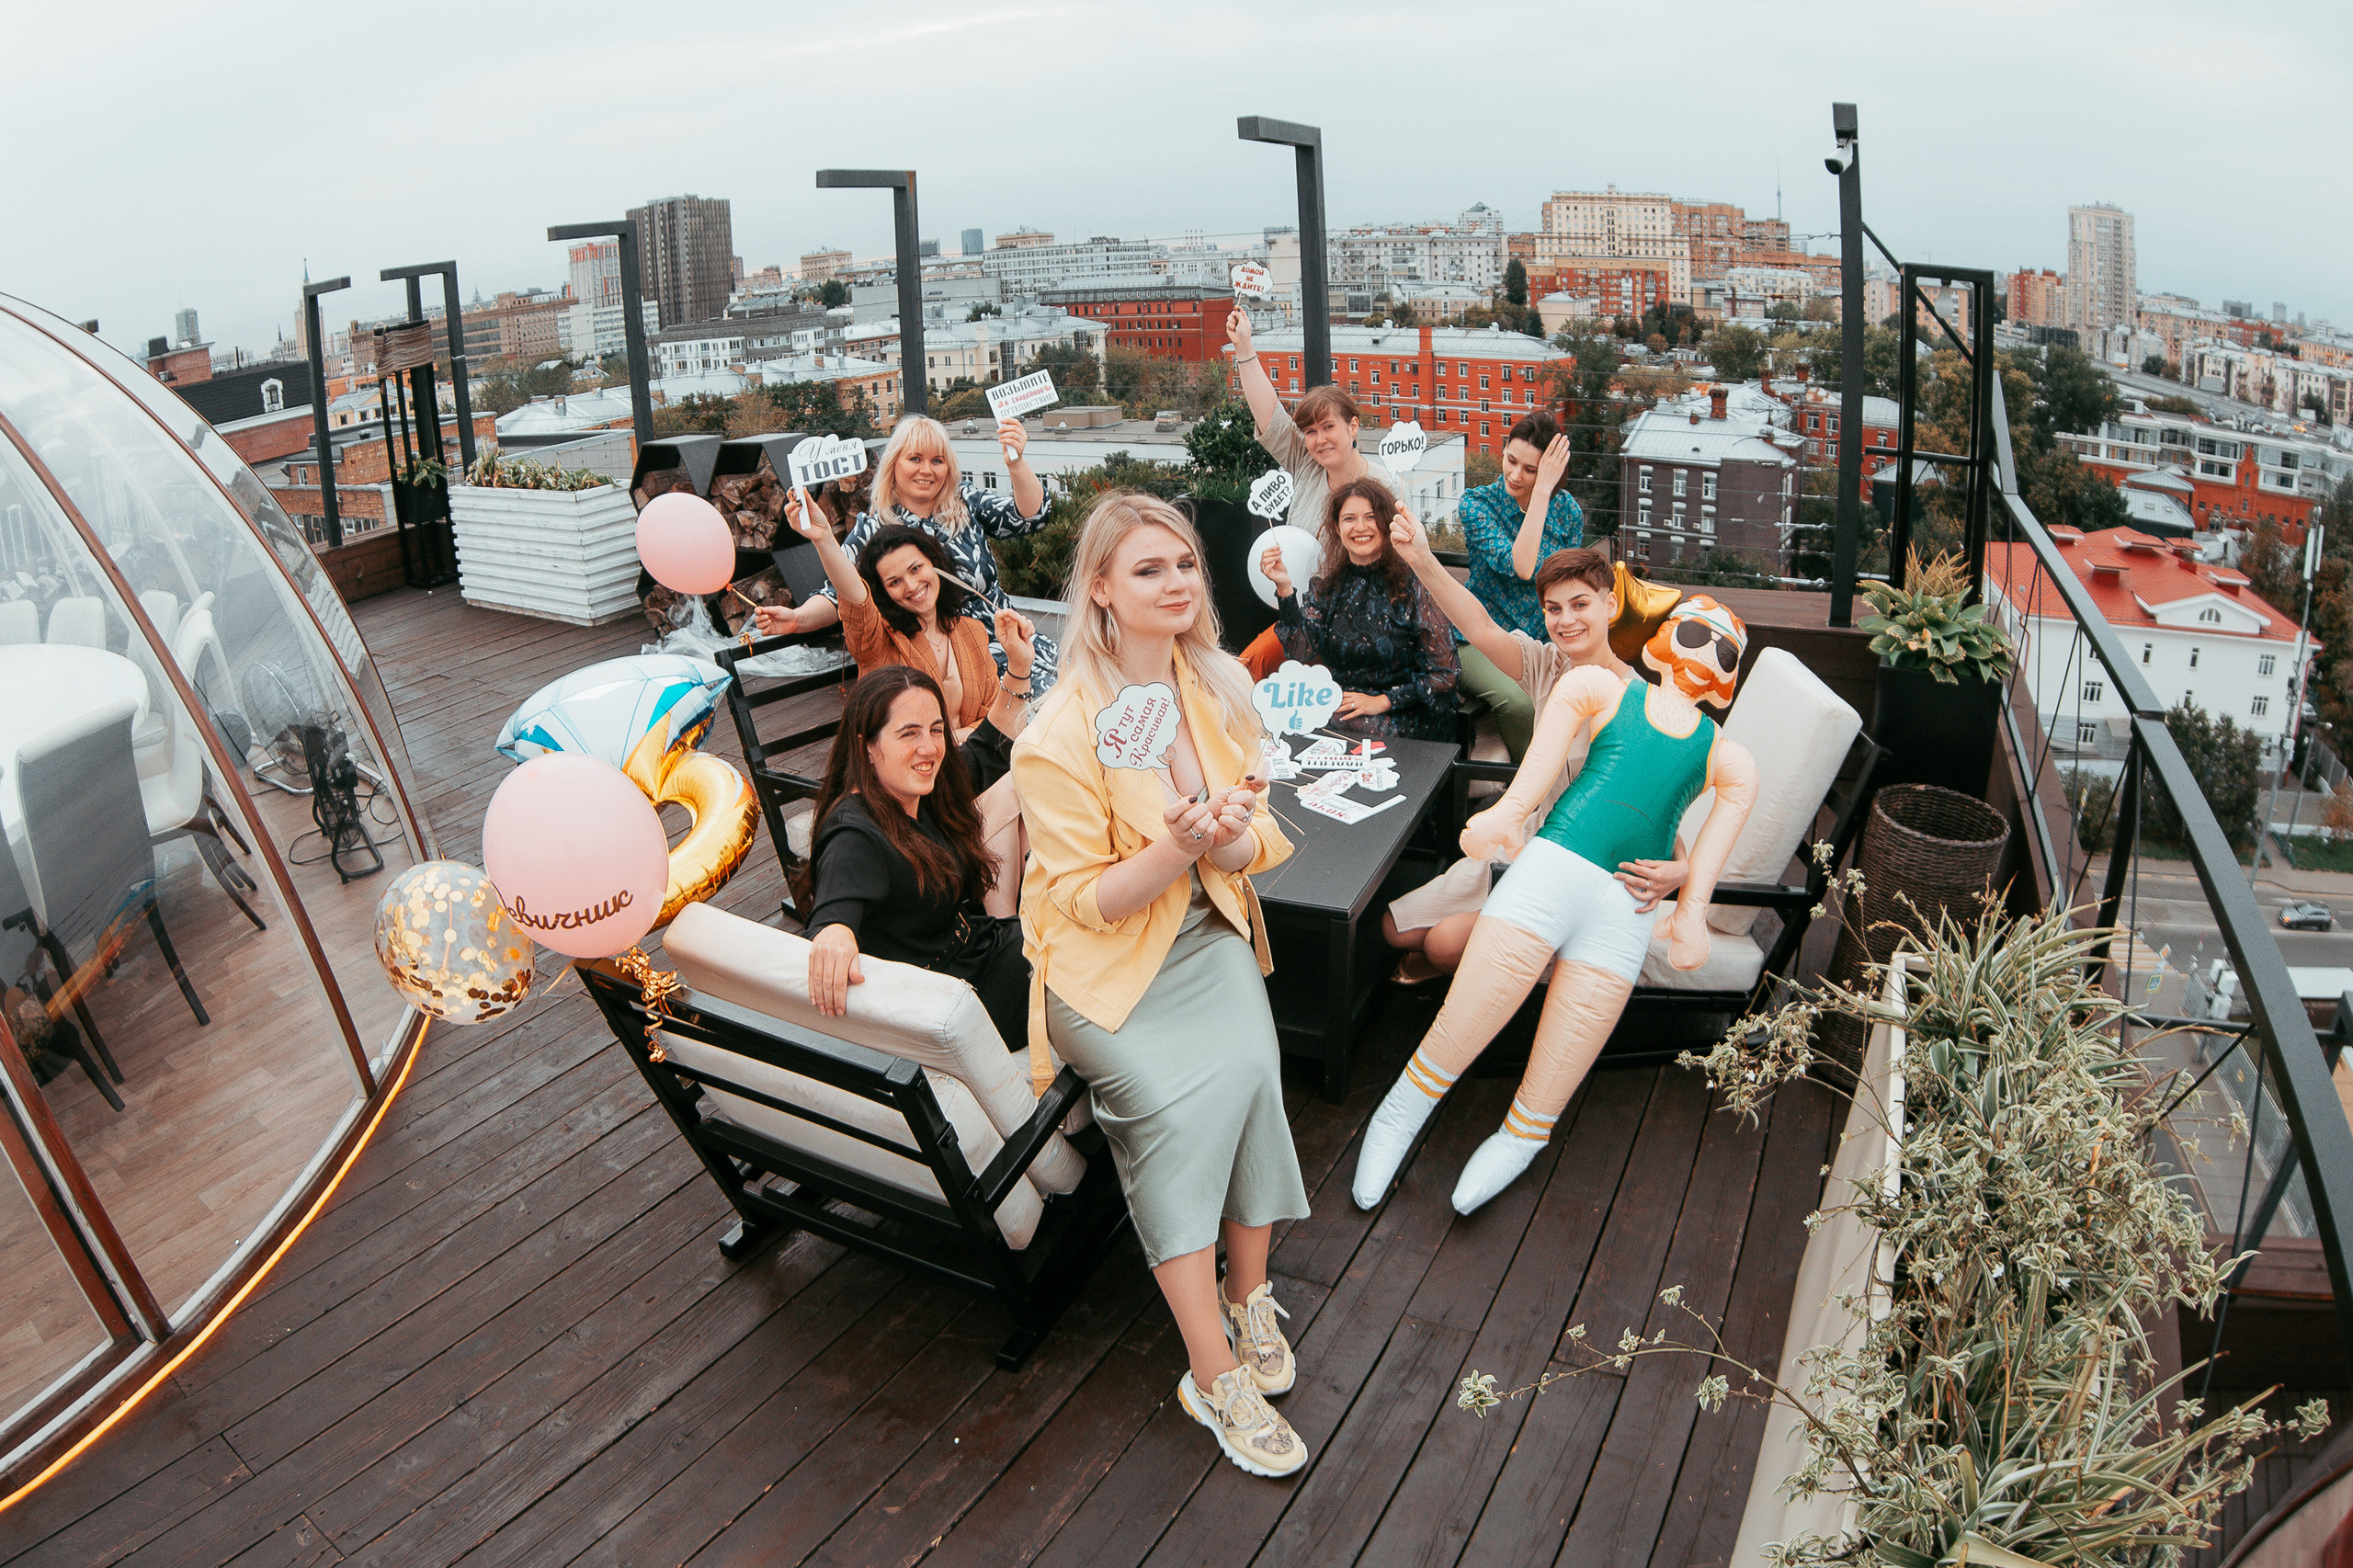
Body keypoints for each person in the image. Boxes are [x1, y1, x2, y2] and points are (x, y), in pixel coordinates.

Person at [1013, 490, 1312, 1480]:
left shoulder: (1220, 685)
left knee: (1257, 1075)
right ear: (1098, 589)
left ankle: (1248, 1289)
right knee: (1178, 1119)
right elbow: (1085, 904)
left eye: (1184, 564)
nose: (1177, 582)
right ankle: (1210, 1368)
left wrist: (1227, 835)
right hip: (1106, 969)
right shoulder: (1057, 730)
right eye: (1148, 569)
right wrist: (1176, 843)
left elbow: (1264, 835)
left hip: (1205, 934)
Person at [1352, 598, 1761, 1218]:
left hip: (1626, 908)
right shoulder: (1598, 687)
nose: (1706, 653)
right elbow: (1537, 771)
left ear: (1730, 676)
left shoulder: (1730, 758)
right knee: (1467, 1014)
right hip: (1551, 869)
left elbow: (1707, 850)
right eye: (1698, 633)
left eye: (1724, 649)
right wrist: (1505, 818)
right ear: (1665, 638)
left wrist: (1692, 910)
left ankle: (1521, 1137)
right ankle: (1401, 1112)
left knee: (1571, 1041)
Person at [1378, 525, 1685, 982]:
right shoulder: (1548, 666)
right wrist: (1421, 558)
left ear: (1611, 605)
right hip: (1522, 840)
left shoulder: (1639, 706)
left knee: (1441, 946)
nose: (1567, 621)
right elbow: (1478, 625)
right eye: (1554, 609)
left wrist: (1681, 869)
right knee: (1392, 929)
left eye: (1580, 605)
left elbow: (1661, 810)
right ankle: (1461, 957)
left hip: (1570, 874)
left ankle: (1457, 963)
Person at [764, 501, 1036, 913]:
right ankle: (1004, 922)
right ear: (883, 592)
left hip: (969, 773)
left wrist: (1020, 663)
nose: (910, 586)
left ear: (936, 564)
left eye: (916, 569)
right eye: (893, 582)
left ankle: (1009, 917)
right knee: (1016, 786)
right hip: (911, 789)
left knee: (1030, 782)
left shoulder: (971, 631)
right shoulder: (878, 639)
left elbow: (994, 725)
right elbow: (854, 596)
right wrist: (822, 538)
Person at [795, 666, 1030, 1053]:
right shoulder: (855, 832)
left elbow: (988, 749)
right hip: (958, 1004)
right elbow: (832, 917)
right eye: (909, 733)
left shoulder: (918, 791)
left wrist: (1019, 670)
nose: (930, 747)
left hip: (982, 955)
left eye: (936, 730)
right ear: (867, 745)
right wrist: (833, 932)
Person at [765, 415, 1060, 689]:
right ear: (895, 464)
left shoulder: (963, 499)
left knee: (1080, 685)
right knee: (1041, 704)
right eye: (915, 459)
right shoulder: (875, 528)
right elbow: (837, 596)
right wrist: (797, 619)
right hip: (945, 654)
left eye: (937, 460)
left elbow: (1029, 517)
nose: (926, 470)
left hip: (1008, 633)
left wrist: (1016, 464)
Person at [1258, 477, 1459, 744]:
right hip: (1341, 707)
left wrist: (1382, 701)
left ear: (1386, 524)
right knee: (1288, 722)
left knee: (1347, 726)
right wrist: (1284, 588)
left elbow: (1446, 676)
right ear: (1337, 528)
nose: (1360, 527)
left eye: (1370, 517)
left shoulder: (1416, 586)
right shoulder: (1327, 587)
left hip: (1405, 712)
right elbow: (1300, 650)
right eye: (1349, 519)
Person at [1453, 411, 1586, 763]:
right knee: (1520, 704)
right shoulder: (1477, 504)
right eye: (1512, 461)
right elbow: (1521, 566)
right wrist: (1541, 490)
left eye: (1531, 469)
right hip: (1477, 639)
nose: (1515, 474)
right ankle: (1533, 790)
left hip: (1542, 643)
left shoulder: (1567, 511)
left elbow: (1570, 586)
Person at [1226, 307, 1403, 529]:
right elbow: (1270, 416)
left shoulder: (1386, 488)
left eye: (1328, 427)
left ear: (1353, 426)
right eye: (1310, 431)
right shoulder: (1307, 463)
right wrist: (1243, 347)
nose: (1320, 440)